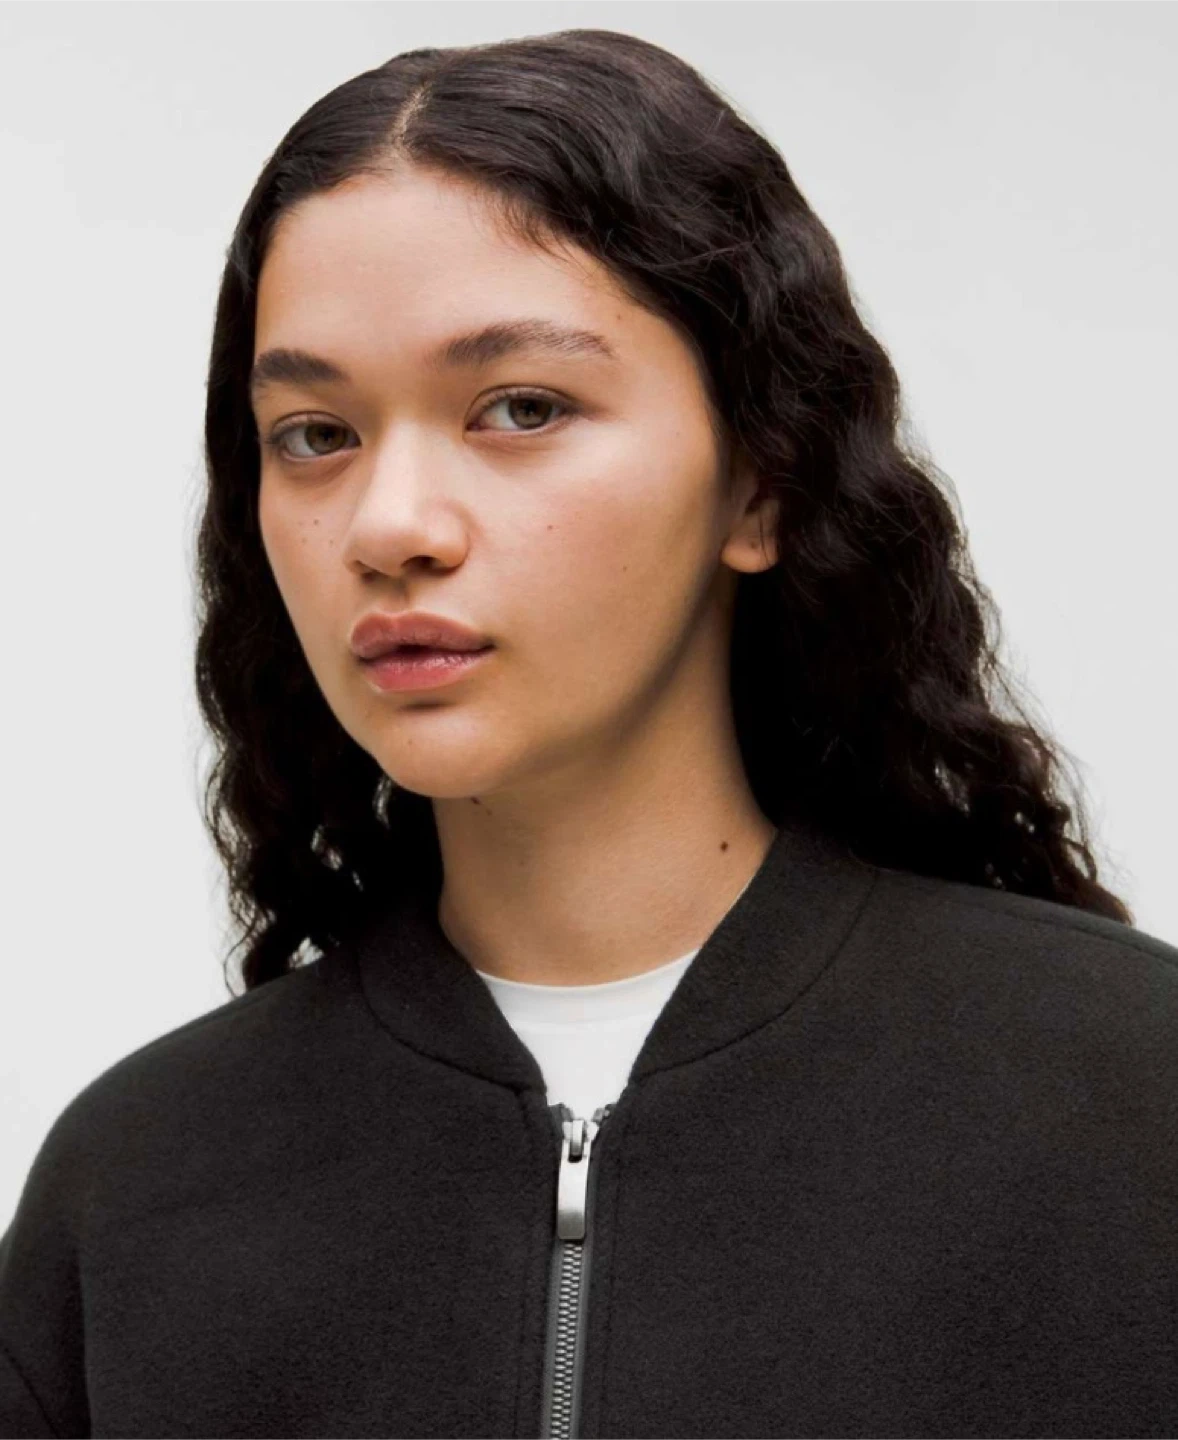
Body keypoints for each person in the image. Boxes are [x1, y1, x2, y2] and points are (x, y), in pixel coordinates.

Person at [2, 27, 1175, 1439]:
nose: (389, 525)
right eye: (315, 434)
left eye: (520, 408)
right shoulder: (132, 1193)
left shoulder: (1132, 1101)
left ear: (761, 483)